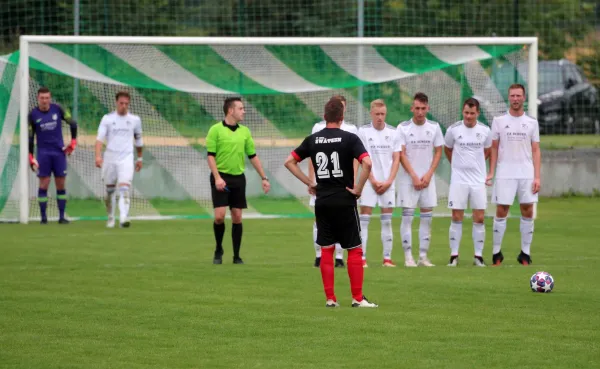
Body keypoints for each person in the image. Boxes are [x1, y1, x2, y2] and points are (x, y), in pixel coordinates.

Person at [284, 97, 378, 308]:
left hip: (323, 200)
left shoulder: (313, 139)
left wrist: (310, 182)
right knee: (354, 249)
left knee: (326, 248)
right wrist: (358, 189)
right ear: (342, 117)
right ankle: (357, 298)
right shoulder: (350, 138)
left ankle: (330, 299)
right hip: (344, 199)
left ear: (325, 116)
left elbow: (289, 162)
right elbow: (367, 163)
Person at [206, 97, 270, 265]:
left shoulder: (245, 132)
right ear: (230, 110)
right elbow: (210, 157)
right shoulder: (215, 130)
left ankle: (236, 256)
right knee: (219, 216)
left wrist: (264, 178)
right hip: (220, 177)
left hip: (238, 179)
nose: (244, 111)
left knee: (237, 216)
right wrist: (218, 178)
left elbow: (253, 156)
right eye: (241, 108)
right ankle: (219, 249)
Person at [486, 84, 541, 266]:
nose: (515, 99)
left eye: (518, 96)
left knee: (528, 211)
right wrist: (491, 172)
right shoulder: (499, 120)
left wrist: (537, 176)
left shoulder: (532, 122)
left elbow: (536, 150)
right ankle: (496, 254)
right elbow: (493, 148)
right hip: (505, 173)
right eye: (512, 96)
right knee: (502, 211)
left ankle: (525, 253)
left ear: (524, 98)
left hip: (526, 173)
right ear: (508, 98)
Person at [394, 92, 444, 267]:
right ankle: (408, 257)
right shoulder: (403, 128)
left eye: (423, 108)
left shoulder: (434, 127)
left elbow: (439, 150)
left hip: (427, 180)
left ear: (428, 108)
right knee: (407, 218)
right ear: (412, 108)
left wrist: (429, 173)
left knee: (426, 218)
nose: (420, 112)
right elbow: (401, 154)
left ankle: (423, 256)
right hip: (408, 181)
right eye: (417, 108)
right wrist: (414, 176)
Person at [308, 95, 358, 268]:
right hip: (322, 184)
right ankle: (319, 255)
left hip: (342, 185)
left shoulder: (351, 130)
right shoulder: (318, 128)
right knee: (319, 221)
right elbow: (310, 156)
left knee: (341, 221)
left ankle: (338, 256)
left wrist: (353, 182)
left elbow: (356, 159)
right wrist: (310, 180)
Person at [444, 98, 492, 267]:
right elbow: (447, 149)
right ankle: (454, 255)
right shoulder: (453, 130)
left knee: (479, 217)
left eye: (472, 113)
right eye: (466, 113)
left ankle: (478, 256)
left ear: (478, 113)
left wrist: (477, 166)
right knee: (457, 216)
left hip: (478, 180)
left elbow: (487, 150)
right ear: (462, 112)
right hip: (458, 180)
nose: (469, 116)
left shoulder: (485, 131)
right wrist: (457, 165)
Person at [357, 99, 401, 268]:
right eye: (377, 114)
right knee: (365, 220)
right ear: (371, 114)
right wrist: (373, 180)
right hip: (369, 182)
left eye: (382, 114)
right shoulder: (364, 132)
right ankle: (362, 259)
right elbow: (362, 158)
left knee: (387, 221)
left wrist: (389, 181)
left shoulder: (394, 132)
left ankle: (387, 259)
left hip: (388, 183)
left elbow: (396, 159)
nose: (380, 117)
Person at [28, 87, 78, 224]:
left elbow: (73, 123)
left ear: (50, 98)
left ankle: (62, 217)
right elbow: (30, 137)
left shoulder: (58, 109)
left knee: (60, 183)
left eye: (47, 98)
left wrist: (73, 141)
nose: (44, 101)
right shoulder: (33, 114)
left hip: (58, 153)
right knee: (44, 183)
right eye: (42, 98)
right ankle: (43, 218)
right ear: (38, 98)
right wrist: (30, 157)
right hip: (43, 153)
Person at [95, 91, 144, 228]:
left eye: (126, 104)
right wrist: (98, 156)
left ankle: (123, 218)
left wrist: (139, 158)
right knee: (110, 191)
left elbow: (139, 141)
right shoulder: (107, 119)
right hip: (110, 158)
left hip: (126, 158)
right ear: (116, 103)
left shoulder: (135, 120)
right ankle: (111, 217)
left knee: (124, 188)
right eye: (121, 103)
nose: (124, 106)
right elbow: (99, 140)